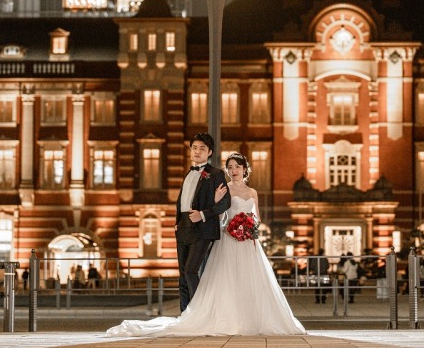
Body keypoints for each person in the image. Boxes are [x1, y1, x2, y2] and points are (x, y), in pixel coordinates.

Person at [106, 152, 305, 336]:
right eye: (230, 167)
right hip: (228, 239)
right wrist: (218, 203)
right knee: (226, 280)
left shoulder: (253, 192)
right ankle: (228, 320)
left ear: (245, 169)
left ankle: (253, 320)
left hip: (248, 243)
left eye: (237, 167)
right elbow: (218, 217)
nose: (233, 171)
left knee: (251, 282)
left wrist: (249, 228)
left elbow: (257, 219)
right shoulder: (224, 188)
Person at [172, 133, 231, 313]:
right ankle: (185, 315)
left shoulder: (216, 174)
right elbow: (183, 200)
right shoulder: (188, 173)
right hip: (183, 227)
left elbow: (225, 202)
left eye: (202, 149)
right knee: (183, 275)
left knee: (191, 271)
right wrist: (177, 222)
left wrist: (203, 215)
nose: (197, 152)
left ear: (210, 152)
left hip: (203, 228)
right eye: (194, 148)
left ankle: (199, 314)